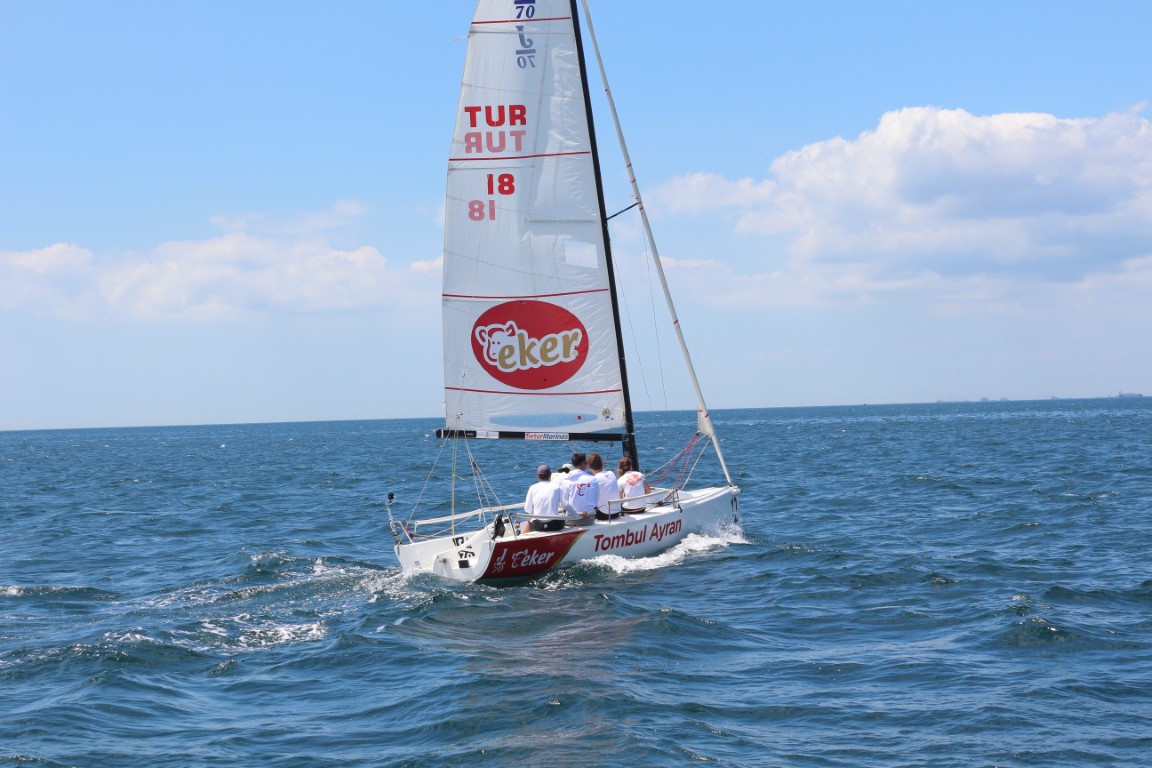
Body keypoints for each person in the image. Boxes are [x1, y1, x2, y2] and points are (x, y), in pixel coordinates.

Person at [523, 464, 564, 533]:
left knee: (529, 520)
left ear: (538, 476)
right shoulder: (557, 487)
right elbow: (565, 505)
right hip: (555, 526)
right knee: (562, 515)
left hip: (538, 526)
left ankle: (523, 538)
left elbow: (527, 509)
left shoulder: (532, 488)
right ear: (550, 475)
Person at [560, 452, 598, 524]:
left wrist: (576, 514)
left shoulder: (566, 480)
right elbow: (595, 502)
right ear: (584, 463)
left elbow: (564, 503)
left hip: (572, 519)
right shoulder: (593, 479)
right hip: (588, 519)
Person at [589, 453, 620, 518]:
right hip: (617, 512)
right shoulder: (611, 473)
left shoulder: (594, 479)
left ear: (589, 467)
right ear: (602, 464)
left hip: (604, 514)